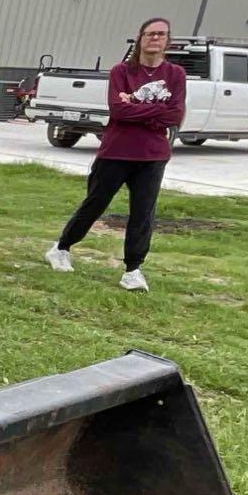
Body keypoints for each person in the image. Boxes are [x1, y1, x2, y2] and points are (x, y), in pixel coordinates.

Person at [46, 16, 184, 291]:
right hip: (116, 151)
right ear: (140, 38)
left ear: (168, 41)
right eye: (150, 34)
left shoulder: (175, 75)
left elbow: (176, 114)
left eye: (161, 34)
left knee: (143, 213)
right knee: (95, 204)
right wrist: (156, 109)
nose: (155, 38)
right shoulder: (122, 71)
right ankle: (61, 248)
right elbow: (118, 110)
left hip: (152, 156)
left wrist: (137, 105)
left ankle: (133, 269)